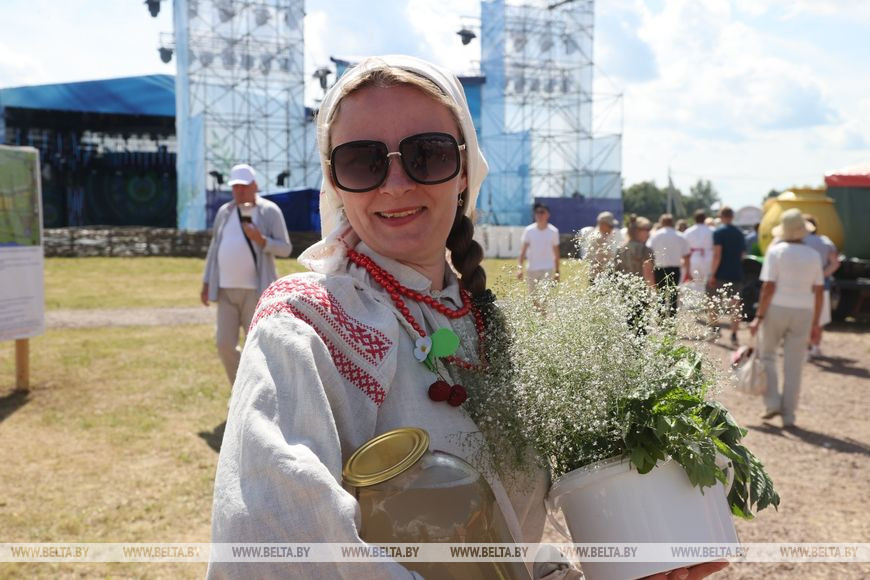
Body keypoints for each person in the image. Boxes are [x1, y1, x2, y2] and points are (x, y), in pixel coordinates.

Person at [207, 55, 725, 580]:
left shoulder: (493, 327)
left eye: (427, 155)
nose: (395, 184)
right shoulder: (303, 323)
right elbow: (273, 545)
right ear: (335, 182)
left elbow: (513, 544)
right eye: (362, 162)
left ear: (464, 171)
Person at [200, 163, 292, 385]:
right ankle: (240, 390)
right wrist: (206, 282)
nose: (239, 191)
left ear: (254, 185)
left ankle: (260, 392)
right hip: (225, 290)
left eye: (243, 186)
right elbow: (214, 248)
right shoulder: (225, 211)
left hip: (256, 292)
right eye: (235, 186)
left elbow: (286, 249)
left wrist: (261, 240)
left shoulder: (269, 211)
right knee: (224, 344)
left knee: (258, 346)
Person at [749, 209, 824, 428]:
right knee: (794, 365)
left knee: (768, 356)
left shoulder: (776, 252)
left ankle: (772, 402)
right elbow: (819, 291)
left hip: (776, 308)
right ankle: (789, 414)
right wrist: (816, 323)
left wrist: (759, 316)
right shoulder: (813, 255)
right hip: (804, 311)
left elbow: (768, 287)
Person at [801, 214, 840, 357]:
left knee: (803, 317)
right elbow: (835, 263)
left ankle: (805, 346)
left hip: (802, 287)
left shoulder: (798, 242)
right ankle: (815, 346)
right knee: (820, 317)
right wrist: (821, 276)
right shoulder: (825, 241)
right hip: (822, 286)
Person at [709, 206, 745, 346]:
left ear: (721, 216)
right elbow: (742, 255)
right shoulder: (740, 233)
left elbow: (717, 254)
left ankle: (715, 328)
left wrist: (712, 273)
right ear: (732, 216)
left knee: (713, 302)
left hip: (720, 273)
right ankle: (734, 334)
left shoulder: (719, 232)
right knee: (736, 305)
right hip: (736, 272)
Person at [647, 213, 689, 316]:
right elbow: (686, 256)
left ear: (661, 222)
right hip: (675, 269)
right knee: (673, 296)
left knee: (660, 295)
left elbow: (648, 252)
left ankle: (660, 318)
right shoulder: (680, 236)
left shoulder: (655, 235)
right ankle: (672, 318)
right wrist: (687, 270)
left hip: (659, 268)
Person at [517, 203, 560, 295]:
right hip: (532, 268)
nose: (539, 215)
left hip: (547, 268)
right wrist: (520, 268)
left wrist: (557, 271)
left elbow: (556, 253)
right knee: (533, 297)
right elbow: (522, 251)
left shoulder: (553, 231)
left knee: (544, 297)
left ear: (548, 214)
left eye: (542, 212)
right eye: (537, 212)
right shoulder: (529, 230)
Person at [615, 215, 656, 288]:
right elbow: (648, 276)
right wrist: (653, 292)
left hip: (623, 289)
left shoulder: (620, 249)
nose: (649, 233)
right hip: (640, 290)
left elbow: (616, 272)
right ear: (637, 231)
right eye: (647, 229)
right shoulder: (645, 250)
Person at [682, 210, 714, 295]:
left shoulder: (688, 231)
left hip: (694, 258)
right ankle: (706, 299)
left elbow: (684, 247)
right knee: (707, 281)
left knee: (696, 282)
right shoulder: (712, 230)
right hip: (708, 257)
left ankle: (699, 300)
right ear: (704, 218)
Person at [584, 210, 619, 282]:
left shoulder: (599, 235)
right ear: (602, 224)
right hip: (599, 277)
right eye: (610, 226)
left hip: (598, 275)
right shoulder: (599, 238)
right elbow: (605, 258)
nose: (612, 229)